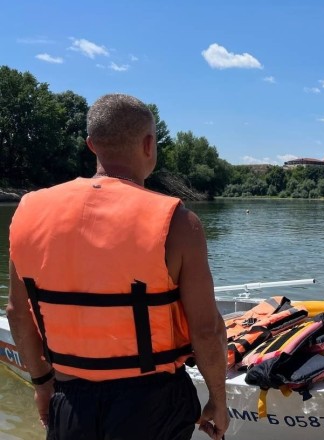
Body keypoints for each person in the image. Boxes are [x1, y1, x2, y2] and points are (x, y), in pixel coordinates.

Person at [6, 94, 229, 440]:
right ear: (149, 145)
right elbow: (206, 330)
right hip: (152, 404)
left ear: (91, 145)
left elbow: (18, 314)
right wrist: (218, 399)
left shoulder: (27, 213)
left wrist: (41, 385)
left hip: (70, 398)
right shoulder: (179, 223)